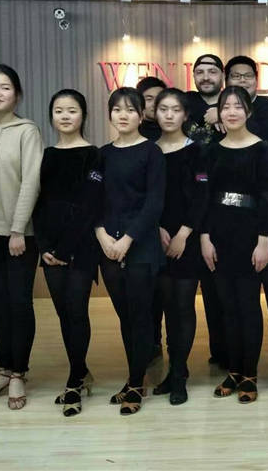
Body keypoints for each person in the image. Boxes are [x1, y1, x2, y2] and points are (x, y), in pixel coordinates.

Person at [0, 64, 44, 410]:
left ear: (17, 94)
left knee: (19, 303)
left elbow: (32, 181)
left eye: (4, 87)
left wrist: (18, 228)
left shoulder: (27, 131)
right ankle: (2, 369)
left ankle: (18, 372)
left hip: (20, 234)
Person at [200, 86, 268, 404]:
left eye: (238, 106)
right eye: (225, 106)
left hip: (250, 237)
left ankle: (250, 374)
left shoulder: (262, 149)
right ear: (219, 113)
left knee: (248, 306)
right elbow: (204, 197)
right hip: (219, 235)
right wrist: (204, 237)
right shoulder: (211, 150)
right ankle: (233, 370)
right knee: (226, 307)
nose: (231, 111)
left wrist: (263, 242)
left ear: (249, 111)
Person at [32, 89, 102, 417]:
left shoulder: (94, 155)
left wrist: (64, 248)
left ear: (83, 115)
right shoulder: (44, 155)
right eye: (58, 110)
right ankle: (81, 370)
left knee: (76, 310)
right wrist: (45, 246)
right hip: (49, 248)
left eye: (71, 110)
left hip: (81, 246)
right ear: (51, 116)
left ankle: (74, 381)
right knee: (63, 313)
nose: (65, 116)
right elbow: (37, 202)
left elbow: (91, 205)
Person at [95, 87, 165, 416]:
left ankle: (136, 383)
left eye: (130, 109)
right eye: (117, 109)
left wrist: (127, 240)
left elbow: (154, 202)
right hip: (108, 246)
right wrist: (102, 235)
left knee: (140, 316)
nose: (123, 115)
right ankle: (134, 377)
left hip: (141, 246)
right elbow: (93, 200)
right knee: (125, 317)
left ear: (141, 115)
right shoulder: (102, 154)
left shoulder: (152, 152)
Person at [225, 55, 268, 363]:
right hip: (231, 222)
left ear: (256, 79)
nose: (241, 80)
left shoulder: (266, 108)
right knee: (240, 292)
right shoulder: (220, 116)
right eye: (235, 76)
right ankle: (235, 356)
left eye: (247, 75)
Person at [152, 88, 208, 405]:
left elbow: (202, 197)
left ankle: (179, 374)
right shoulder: (148, 150)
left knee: (183, 306)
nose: (169, 115)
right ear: (155, 113)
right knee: (165, 307)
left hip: (187, 239)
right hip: (155, 239)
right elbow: (145, 196)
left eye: (175, 109)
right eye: (163, 109)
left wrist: (184, 234)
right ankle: (173, 369)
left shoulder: (197, 151)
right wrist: (156, 228)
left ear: (186, 115)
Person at [184, 54, 227, 368]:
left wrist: (222, 113)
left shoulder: (232, 104)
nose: (206, 76)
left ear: (222, 75)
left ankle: (232, 353)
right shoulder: (185, 104)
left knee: (224, 287)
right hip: (190, 204)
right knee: (201, 289)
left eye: (212, 71)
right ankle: (216, 351)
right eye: (200, 71)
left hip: (225, 205)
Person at [136, 76, 167, 362]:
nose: (155, 104)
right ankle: (151, 342)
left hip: (176, 226)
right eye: (148, 99)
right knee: (148, 294)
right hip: (144, 226)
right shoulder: (135, 136)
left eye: (160, 99)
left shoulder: (178, 132)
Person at [136, 76, 166, 142]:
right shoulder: (133, 134)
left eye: (159, 98)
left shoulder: (176, 132)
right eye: (149, 99)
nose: (155, 103)